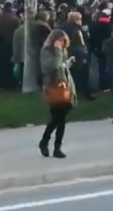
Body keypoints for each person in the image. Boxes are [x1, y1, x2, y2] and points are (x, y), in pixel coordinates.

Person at [39, 30, 76, 159]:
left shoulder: (61, 52)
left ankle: (47, 143)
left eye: (63, 41)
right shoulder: (47, 52)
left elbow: (62, 67)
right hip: (53, 86)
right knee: (58, 119)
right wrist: (57, 51)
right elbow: (54, 66)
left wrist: (69, 62)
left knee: (58, 119)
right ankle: (54, 146)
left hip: (64, 85)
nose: (62, 44)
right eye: (60, 41)